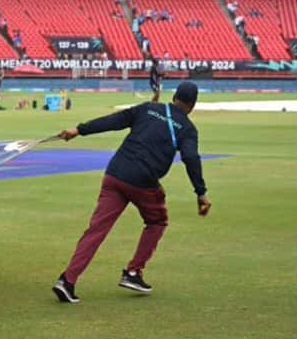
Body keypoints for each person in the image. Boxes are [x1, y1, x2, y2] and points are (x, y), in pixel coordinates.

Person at [50, 82, 211, 304]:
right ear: (192, 105)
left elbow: (113, 121)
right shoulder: (188, 129)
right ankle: (133, 272)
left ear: (173, 97)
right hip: (142, 182)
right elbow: (191, 158)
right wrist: (200, 193)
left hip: (115, 174)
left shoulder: (147, 108)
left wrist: (78, 130)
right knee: (157, 222)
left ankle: (67, 280)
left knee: (96, 229)